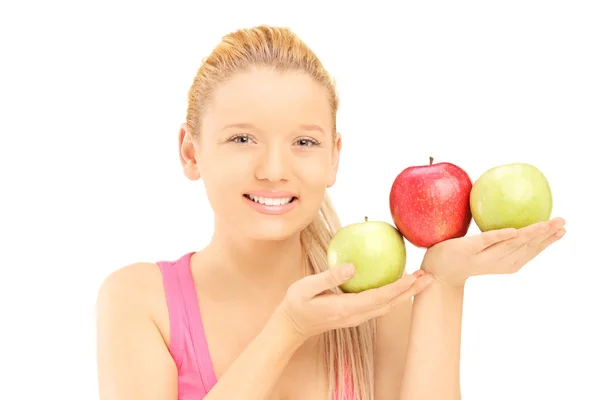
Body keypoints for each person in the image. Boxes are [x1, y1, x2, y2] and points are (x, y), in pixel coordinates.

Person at [95, 25, 567, 400]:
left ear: (334, 157)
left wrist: (443, 283)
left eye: (304, 142)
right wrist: (288, 329)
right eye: (242, 139)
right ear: (190, 152)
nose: (274, 170)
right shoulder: (139, 301)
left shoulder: (375, 303)